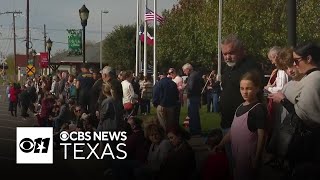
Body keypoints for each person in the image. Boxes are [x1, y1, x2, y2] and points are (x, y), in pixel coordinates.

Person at [268, 42, 320, 178]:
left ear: (308, 59)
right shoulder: (290, 85)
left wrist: (284, 101)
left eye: (294, 63)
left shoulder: (312, 80)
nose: (291, 69)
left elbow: (307, 115)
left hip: (307, 142)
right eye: (285, 68)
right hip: (292, 142)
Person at [219, 34, 263, 171]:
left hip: (245, 126)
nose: (227, 57)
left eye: (231, 53)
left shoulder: (250, 67)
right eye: (224, 53)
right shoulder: (228, 68)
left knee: (245, 169)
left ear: (242, 50)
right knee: (233, 167)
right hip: (227, 124)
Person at [215, 71, 268, 180]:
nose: (244, 92)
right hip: (237, 157)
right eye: (242, 88)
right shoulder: (240, 106)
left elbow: (262, 137)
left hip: (249, 159)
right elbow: (232, 132)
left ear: (257, 88)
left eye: (248, 88)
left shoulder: (258, 109)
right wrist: (220, 144)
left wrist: (257, 158)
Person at [182, 63, 202, 135]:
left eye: (184, 71)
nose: (184, 72)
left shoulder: (192, 76)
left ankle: (194, 131)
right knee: (195, 114)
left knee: (192, 114)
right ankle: (197, 129)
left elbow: (190, 87)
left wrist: (185, 88)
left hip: (193, 97)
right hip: (196, 96)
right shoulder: (196, 74)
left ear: (188, 69)